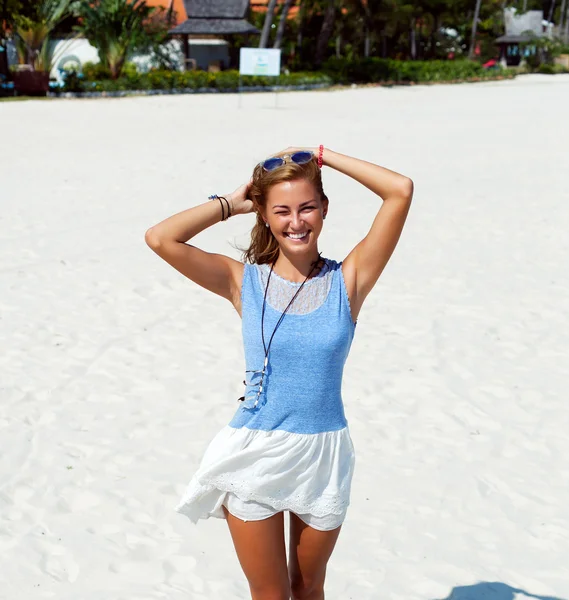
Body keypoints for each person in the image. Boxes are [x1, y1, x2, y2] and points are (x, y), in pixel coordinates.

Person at [145, 146, 413, 600]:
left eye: (307, 207)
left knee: (308, 589)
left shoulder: (348, 281)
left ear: (324, 209)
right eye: (282, 211)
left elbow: (399, 192)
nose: (297, 222)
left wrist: (324, 157)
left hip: (324, 452)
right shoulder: (242, 282)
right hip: (257, 452)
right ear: (266, 218)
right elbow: (160, 238)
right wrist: (232, 203)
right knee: (271, 595)